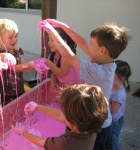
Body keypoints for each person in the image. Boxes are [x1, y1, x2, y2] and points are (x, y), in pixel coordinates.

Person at [39, 19, 131, 150]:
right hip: (101, 121)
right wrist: (64, 27)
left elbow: (70, 57)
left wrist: (53, 32)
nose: (88, 46)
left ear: (102, 50)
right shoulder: (107, 62)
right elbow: (81, 42)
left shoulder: (98, 71)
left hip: (98, 127)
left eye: (92, 44)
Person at [11, 84, 108, 150]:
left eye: (65, 112)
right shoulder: (90, 124)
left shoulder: (66, 143)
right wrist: (37, 107)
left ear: (73, 122)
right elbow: (59, 115)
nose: (63, 113)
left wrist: (23, 132)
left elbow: (42, 142)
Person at [0, 18, 34, 106]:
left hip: (19, 89)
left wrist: (32, 65)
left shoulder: (19, 51)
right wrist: (26, 65)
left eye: (16, 36)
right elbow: (12, 68)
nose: (14, 40)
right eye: (10, 37)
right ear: (0, 38)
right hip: (5, 93)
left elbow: (23, 69)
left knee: (19, 112)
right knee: (7, 115)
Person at [44, 27, 84, 94]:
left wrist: (48, 63)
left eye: (52, 40)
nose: (49, 43)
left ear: (63, 43)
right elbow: (54, 73)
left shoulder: (68, 57)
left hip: (76, 88)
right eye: (49, 40)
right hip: (65, 86)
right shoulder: (51, 57)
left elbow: (61, 73)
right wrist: (53, 84)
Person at [109, 60, 132, 150]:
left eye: (112, 75)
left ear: (122, 78)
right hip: (113, 119)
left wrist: (104, 100)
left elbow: (113, 112)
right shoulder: (113, 85)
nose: (110, 75)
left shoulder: (118, 94)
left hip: (115, 122)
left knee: (113, 141)